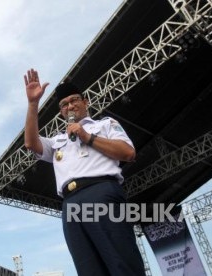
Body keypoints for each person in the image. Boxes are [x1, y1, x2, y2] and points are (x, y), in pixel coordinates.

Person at [23, 68, 145, 275]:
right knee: (89, 269)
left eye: (74, 100)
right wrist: (33, 104)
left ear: (85, 102)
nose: (70, 106)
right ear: (61, 112)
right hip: (70, 203)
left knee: (121, 262)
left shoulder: (105, 125)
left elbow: (128, 153)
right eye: (64, 104)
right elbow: (31, 143)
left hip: (100, 193)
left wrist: (87, 136)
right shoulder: (58, 141)